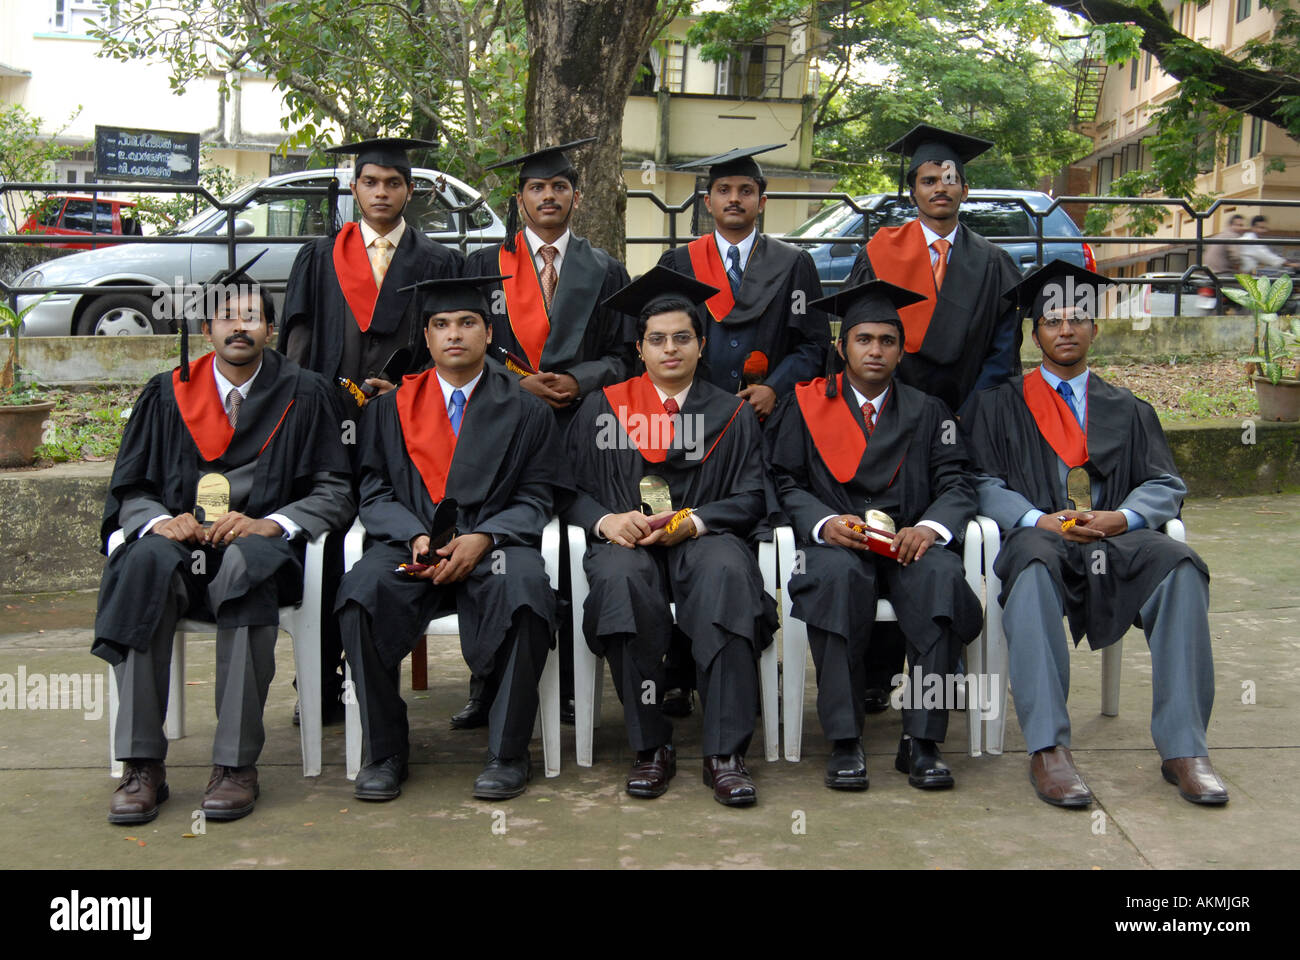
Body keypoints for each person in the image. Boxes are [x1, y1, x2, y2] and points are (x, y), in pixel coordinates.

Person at [94, 253, 355, 825]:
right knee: (141, 570)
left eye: (252, 317)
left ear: (269, 328)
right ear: (207, 328)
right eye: (225, 317)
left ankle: (235, 765)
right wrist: (159, 520)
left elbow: (334, 491)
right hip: (177, 544)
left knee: (246, 568)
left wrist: (274, 522)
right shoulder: (166, 394)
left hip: (260, 547)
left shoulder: (305, 393)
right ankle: (142, 765)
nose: (239, 327)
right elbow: (129, 487)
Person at [964, 260, 1227, 809]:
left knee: (1180, 565)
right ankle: (1048, 748)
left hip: (1116, 536)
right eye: (1052, 320)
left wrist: (1124, 517)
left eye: (1077, 318)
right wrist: (1035, 518)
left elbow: (1163, 481)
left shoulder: (1126, 407)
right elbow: (978, 482)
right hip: (1041, 534)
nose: (1065, 329)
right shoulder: (997, 405)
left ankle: (1184, 748)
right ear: (1034, 334)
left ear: (1094, 328)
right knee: (1031, 569)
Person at [336, 275, 565, 802]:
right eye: (441, 325)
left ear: (489, 332)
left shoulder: (527, 409)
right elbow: (371, 492)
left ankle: (508, 753)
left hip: (495, 549)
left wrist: (486, 535)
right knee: (359, 595)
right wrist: (414, 533)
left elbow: (539, 497)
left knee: (529, 593)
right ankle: (385, 751)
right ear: (427, 336)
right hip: (408, 547)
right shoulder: (390, 409)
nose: (454, 334)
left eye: (467, 323)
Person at [562, 265, 778, 806]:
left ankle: (724, 753)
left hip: (704, 538)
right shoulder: (602, 407)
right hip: (627, 540)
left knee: (728, 571)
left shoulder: (731, 414)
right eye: (657, 339)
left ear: (702, 346)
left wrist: (696, 519)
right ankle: (651, 746)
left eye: (683, 338)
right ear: (640, 348)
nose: (670, 349)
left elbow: (753, 497)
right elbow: (564, 491)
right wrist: (606, 521)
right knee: (618, 580)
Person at [766, 280, 983, 791]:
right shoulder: (804, 406)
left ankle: (924, 742)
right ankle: (844, 740)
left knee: (941, 582)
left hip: (909, 544)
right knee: (834, 579)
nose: (875, 350)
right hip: (837, 544)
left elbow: (958, 480)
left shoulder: (929, 411)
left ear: (902, 349)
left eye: (887, 340)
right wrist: (823, 523)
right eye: (864, 339)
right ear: (842, 347)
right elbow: (782, 481)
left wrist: (929, 527)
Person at [279, 137, 464, 727]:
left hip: (406, 424)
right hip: (330, 422)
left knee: (390, 533)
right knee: (329, 541)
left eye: (392, 183)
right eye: (370, 183)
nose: (381, 193)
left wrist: (409, 390)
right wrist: (307, 410)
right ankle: (325, 677)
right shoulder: (319, 256)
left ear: (410, 191)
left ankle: (379, 661)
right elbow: (299, 344)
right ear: (354, 189)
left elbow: (451, 349)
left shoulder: (437, 261)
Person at [846, 123, 1022, 715]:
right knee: (876, 532)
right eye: (927, 180)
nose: (939, 189)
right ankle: (872, 673)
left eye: (949, 180)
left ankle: (930, 676)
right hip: (883, 421)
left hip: (960, 421)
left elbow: (1003, 354)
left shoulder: (995, 263)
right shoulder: (879, 252)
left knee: (929, 545)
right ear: (913, 190)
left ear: (965, 190)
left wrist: (963, 419)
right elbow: (853, 336)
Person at [458, 138, 632, 729]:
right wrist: (516, 385)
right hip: (503, 428)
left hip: (580, 428)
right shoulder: (484, 265)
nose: (548, 196)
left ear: (576, 198)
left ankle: (565, 685)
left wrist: (578, 380)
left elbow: (623, 357)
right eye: (537, 187)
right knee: (505, 548)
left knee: (569, 549)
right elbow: (457, 353)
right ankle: (487, 682)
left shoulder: (605, 269)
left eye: (559, 187)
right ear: (520, 198)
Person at [656, 144, 831, 715]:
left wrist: (774, 388)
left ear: (763, 200)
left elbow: (812, 343)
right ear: (708, 202)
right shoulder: (681, 263)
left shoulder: (794, 264)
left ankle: (746, 646)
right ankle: (680, 668)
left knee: (753, 527)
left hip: (770, 421)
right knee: (690, 529)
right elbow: (670, 342)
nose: (735, 199)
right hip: (696, 422)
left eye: (746, 191)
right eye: (725, 191)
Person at [1204, 214, 1247, 279]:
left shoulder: (1217, 236)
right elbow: (1236, 257)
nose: (1241, 228)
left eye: (1242, 225)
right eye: (1239, 225)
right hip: (1223, 274)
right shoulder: (1232, 235)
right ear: (1230, 225)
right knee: (1250, 287)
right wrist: (1241, 270)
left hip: (1208, 274)